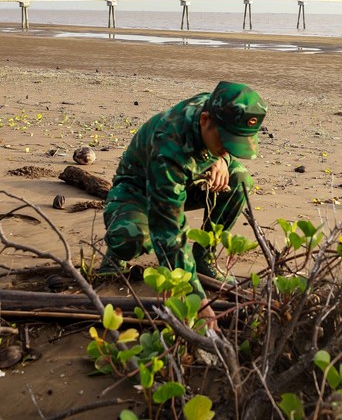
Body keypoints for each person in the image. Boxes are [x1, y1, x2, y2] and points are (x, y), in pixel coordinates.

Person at [99, 81, 267, 327]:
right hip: (139, 190)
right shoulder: (169, 145)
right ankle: (115, 253)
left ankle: (203, 258)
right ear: (205, 120)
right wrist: (194, 297)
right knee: (131, 237)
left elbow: (222, 142)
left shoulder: (223, 106)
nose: (226, 149)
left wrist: (222, 158)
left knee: (239, 179)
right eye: (225, 142)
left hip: (189, 180)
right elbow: (168, 228)